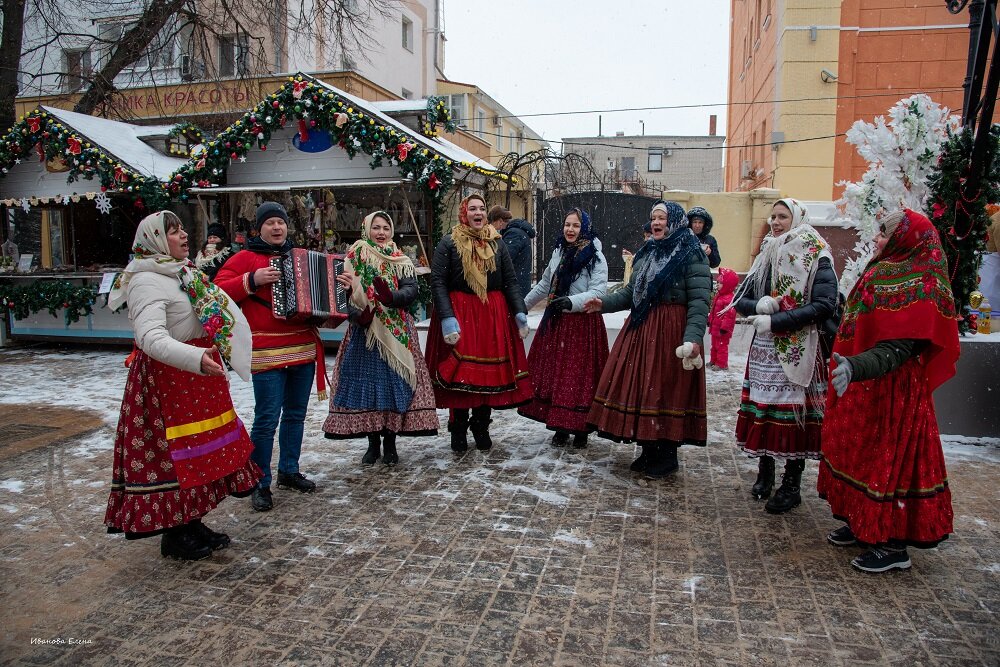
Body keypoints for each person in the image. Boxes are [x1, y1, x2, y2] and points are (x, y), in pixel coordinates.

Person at [104, 211, 260, 561]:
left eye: (181, 229)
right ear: (156, 240)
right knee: (175, 456)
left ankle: (193, 521)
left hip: (196, 378)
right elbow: (149, 337)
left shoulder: (182, 271)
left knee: (200, 450)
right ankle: (176, 534)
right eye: (173, 232)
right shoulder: (146, 280)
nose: (183, 235)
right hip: (168, 380)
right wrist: (192, 358)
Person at [818, 209, 960, 573]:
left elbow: (898, 348)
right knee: (860, 453)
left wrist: (856, 366)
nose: (878, 240)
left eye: (884, 233)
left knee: (888, 462)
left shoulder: (922, 282)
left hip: (893, 391)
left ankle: (892, 543)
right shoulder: (884, 267)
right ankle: (859, 519)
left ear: (905, 239)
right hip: (862, 386)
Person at [584, 201, 711, 477]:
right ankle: (648, 448)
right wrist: (603, 304)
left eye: (662, 218)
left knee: (666, 389)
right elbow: (632, 292)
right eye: (653, 217)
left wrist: (692, 339)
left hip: (671, 331)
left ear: (675, 221)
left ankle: (667, 455)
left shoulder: (691, 253)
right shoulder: (647, 252)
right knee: (644, 386)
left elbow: (700, 301)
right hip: (642, 327)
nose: (656, 222)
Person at [214, 202, 325, 512]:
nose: (277, 228)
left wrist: (338, 295)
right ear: (258, 228)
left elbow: (320, 300)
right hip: (265, 351)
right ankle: (259, 481)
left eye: (281, 222)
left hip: (302, 346)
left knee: (295, 414)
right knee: (266, 419)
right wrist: (252, 280)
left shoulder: (300, 258)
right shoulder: (244, 258)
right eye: (271, 223)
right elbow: (216, 293)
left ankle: (289, 470)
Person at [731, 198, 838, 513]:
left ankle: (791, 485)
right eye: (772, 216)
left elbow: (823, 305)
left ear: (798, 218)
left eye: (782, 216)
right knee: (764, 411)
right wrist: (761, 305)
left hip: (800, 347)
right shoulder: (766, 253)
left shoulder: (816, 254)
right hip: (765, 350)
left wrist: (776, 320)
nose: (775, 222)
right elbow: (741, 300)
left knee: (793, 417)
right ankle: (765, 472)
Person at [322, 211, 438, 464]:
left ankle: (391, 442)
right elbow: (342, 296)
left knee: (393, 385)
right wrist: (357, 315)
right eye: (376, 227)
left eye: (386, 227)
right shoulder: (353, 257)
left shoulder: (400, 259)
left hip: (397, 331)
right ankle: (373, 443)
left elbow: (411, 290)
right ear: (366, 229)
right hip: (365, 333)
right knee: (369, 387)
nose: (382, 232)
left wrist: (391, 298)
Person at [425, 194, 532, 452]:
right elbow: (438, 282)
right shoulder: (449, 242)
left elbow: (509, 281)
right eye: (472, 208)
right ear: (464, 213)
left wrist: (519, 311)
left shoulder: (497, 243)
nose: (478, 212)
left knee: (488, 376)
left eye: (482, 208)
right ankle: (459, 427)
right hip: (460, 313)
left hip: (492, 315)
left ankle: (481, 425)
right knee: (461, 374)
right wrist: (448, 318)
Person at [518, 207, 609, 448]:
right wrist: (521, 307)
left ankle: (580, 428)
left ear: (585, 228)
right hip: (557, 322)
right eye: (567, 225)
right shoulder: (559, 251)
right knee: (558, 375)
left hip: (582, 323)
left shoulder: (595, 257)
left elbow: (599, 292)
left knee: (580, 378)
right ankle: (560, 424)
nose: (570, 229)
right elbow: (545, 285)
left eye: (576, 225)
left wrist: (571, 302)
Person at [490, 205, 536, 296]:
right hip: (518, 284)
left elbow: (503, 259)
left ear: (500, 221)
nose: (493, 228)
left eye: (492, 224)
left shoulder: (513, 234)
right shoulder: (517, 231)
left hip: (514, 287)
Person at [707, 267, 739, 370]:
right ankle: (714, 360)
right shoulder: (719, 296)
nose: (717, 285)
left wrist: (725, 327)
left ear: (728, 285)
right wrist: (710, 321)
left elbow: (729, 315)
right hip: (715, 328)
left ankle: (721, 364)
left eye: (720, 283)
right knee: (714, 346)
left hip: (723, 330)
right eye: (717, 283)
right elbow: (713, 311)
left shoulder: (729, 299)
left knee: (721, 347)